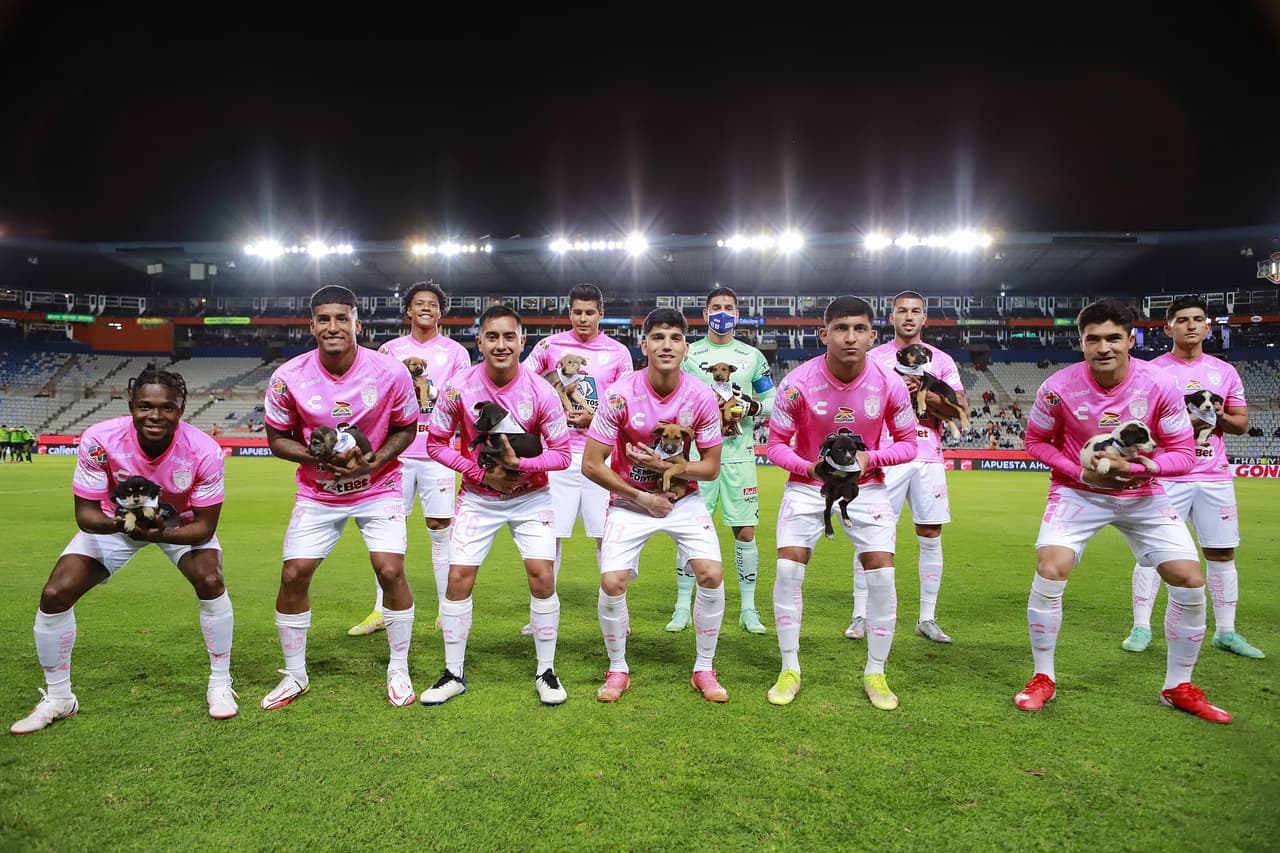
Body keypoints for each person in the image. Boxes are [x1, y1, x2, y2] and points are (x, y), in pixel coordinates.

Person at [1018, 298, 1231, 723]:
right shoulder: (1056, 388)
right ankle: (1043, 677)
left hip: (1143, 494)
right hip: (1078, 492)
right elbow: (1035, 442)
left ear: (1130, 340)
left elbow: (1184, 453)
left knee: (1190, 579)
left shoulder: (1159, 384)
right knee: (1051, 567)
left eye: (1114, 338)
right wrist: (1079, 470)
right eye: (1093, 339)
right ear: (1081, 342)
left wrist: (1134, 468)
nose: (1104, 348)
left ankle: (1178, 686)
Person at [10, 365, 236, 733]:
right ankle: (59, 698)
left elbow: (205, 527)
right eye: (146, 406)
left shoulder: (204, 450)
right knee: (55, 593)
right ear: (131, 405)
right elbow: (86, 516)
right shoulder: (100, 440)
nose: (155, 415)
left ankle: (220, 683)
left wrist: (157, 533)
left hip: (176, 523)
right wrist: (126, 524)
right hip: (116, 522)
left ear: (180, 408)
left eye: (166, 407)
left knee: (210, 580)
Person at [259, 285, 421, 710]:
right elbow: (276, 439)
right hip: (319, 492)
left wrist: (371, 462)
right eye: (324, 319)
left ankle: (398, 668)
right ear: (312, 325)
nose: (333, 326)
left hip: (378, 485)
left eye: (341, 318)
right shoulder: (288, 376)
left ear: (356, 323)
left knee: (390, 571)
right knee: (293, 574)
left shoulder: (390, 371)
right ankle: (294, 675)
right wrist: (319, 457)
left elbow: (406, 427)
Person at [764, 296, 918, 710]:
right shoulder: (796, 383)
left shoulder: (889, 383)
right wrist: (809, 468)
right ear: (824, 334)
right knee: (787, 570)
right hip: (806, 485)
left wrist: (871, 459)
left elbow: (909, 444)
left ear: (872, 336)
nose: (850, 337)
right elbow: (775, 445)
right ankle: (789, 668)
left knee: (882, 578)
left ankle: (876, 673)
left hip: (866, 487)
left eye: (859, 329)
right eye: (841, 328)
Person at [420, 305, 573, 705]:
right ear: (480, 342)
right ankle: (453, 673)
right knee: (458, 579)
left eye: (509, 337)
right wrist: (482, 474)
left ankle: (546, 671)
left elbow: (562, 455)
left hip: (530, 497)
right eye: (492, 337)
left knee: (542, 576)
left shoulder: (541, 391)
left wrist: (519, 466)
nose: (501, 345)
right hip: (478, 497)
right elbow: (435, 444)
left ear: (522, 342)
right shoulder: (458, 388)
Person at [582, 308, 729, 703]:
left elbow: (711, 468)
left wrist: (665, 468)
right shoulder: (619, 394)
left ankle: (704, 668)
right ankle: (617, 668)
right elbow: (591, 464)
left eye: (676, 338)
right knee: (612, 582)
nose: (667, 345)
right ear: (644, 345)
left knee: (711, 574)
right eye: (658, 337)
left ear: (686, 347)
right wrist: (643, 497)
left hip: (684, 500)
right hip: (631, 501)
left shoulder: (701, 396)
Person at [1122, 296, 1262, 658]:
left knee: (1221, 552)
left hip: (1214, 476)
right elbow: (1139, 425)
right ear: (1168, 328)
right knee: (1152, 553)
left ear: (1208, 326)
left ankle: (1226, 632)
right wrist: (1185, 425)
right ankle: (1141, 627)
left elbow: (1241, 424)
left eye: (1198, 319)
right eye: (1182, 320)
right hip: (1168, 475)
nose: (1191, 325)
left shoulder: (1224, 372)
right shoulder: (1150, 371)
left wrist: (1215, 417)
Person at [347, 281, 471, 636]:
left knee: (440, 530)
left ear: (440, 311)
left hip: (437, 454)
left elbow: (462, 399)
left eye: (432, 303)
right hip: (396, 454)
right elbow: (375, 397)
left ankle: (448, 610)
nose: (426, 308)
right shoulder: (389, 350)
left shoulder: (455, 353)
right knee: (387, 532)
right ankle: (381, 609)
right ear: (409, 311)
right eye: (419, 303)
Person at [846, 290, 966, 644]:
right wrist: (897, 391)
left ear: (924, 318)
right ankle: (860, 614)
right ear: (892, 318)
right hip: (887, 455)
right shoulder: (874, 358)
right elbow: (856, 402)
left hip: (928, 456)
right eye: (902, 311)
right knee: (871, 533)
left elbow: (960, 408)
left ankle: (927, 618)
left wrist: (928, 396)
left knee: (930, 534)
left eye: (915, 311)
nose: (909, 317)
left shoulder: (942, 360)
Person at [520, 283, 632, 635]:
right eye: (577, 312)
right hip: (557, 455)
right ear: (569, 313)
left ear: (601, 314)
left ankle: (619, 616)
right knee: (547, 538)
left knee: (607, 538)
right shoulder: (548, 346)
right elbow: (523, 381)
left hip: (601, 456)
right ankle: (541, 616)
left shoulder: (618, 353)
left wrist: (595, 418)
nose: (583, 318)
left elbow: (628, 401)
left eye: (590, 312)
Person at [664, 286, 775, 635]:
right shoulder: (689, 354)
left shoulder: (752, 356)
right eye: (716, 307)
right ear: (705, 314)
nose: (722, 312)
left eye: (728, 307)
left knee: (745, 532)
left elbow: (773, 401)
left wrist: (752, 407)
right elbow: (671, 395)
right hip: (696, 459)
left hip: (739, 456)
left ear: (738, 314)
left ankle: (748, 609)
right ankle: (682, 606)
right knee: (688, 529)